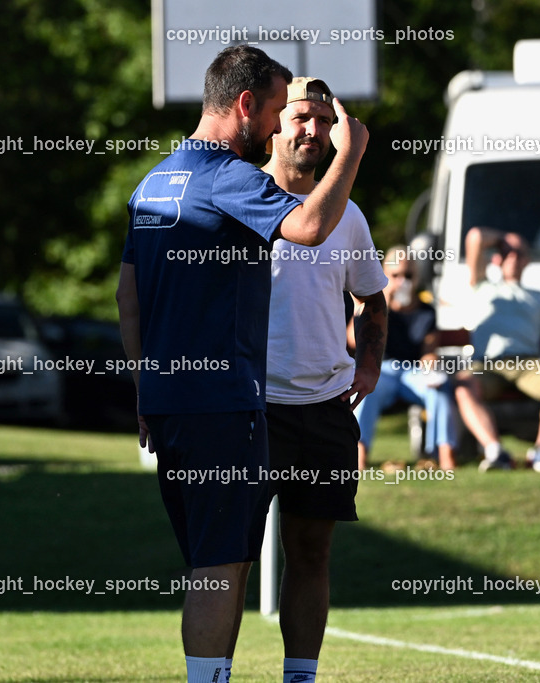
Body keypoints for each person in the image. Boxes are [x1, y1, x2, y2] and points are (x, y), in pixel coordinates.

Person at [116, 47, 368, 683]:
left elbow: (128, 296)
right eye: (278, 110)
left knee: (208, 557)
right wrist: (351, 152)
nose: (282, 125)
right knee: (222, 563)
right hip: (225, 403)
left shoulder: (154, 181)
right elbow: (309, 227)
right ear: (245, 105)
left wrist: (147, 387)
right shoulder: (229, 176)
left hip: (172, 404)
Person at [261, 76, 387, 683]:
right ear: (269, 123)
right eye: (298, 118)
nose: (311, 130)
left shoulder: (348, 213)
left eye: (320, 119)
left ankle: (300, 676)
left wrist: (368, 364)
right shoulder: (240, 195)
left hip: (323, 410)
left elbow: (374, 300)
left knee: (311, 553)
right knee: (228, 558)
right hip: (250, 408)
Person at [454, 227, 540, 472]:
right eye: (506, 252)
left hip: (529, 365)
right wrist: (506, 240)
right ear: (496, 258)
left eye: (519, 253)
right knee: (463, 385)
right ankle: (495, 451)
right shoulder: (480, 285)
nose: (513, 257)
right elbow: (475, 237)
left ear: (528, 259)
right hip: (487, 365)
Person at [353, 246, 458, 471]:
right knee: (365, 387)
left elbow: (429, 350)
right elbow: (353, 341)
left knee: (440, 388)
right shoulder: (373, 305)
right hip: (381, 371)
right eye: (396, 275)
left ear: (417, 277)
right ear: (384, 275)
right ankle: (360, 454)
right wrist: (383, 304)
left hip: (413, 372)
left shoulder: (426, 311)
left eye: (408, 275)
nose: (402, 281)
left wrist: (430, 364)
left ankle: (444, 454)